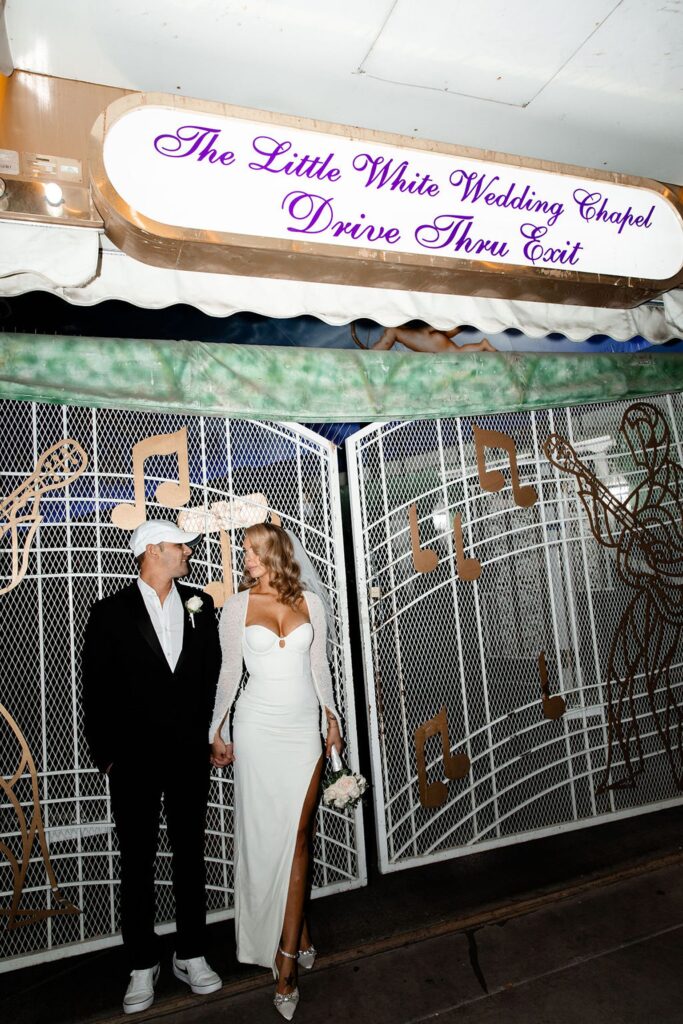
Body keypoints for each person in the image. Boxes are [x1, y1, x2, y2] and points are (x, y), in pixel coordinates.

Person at [81, 520, 223, 1015]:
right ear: (153, 551)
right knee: (136, 861)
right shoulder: (108, 613)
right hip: (134, 761)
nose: (188, 552)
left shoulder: (202, 604)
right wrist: (109, 756)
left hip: (188, 756)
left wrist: (211, 735)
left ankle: (192, 953)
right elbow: (94, 691)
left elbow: (211, 676)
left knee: (190, 855)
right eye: (179, 545)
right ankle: (142, 962)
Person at [209, 523, 343, 1020]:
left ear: (274, 552)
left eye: (250, 550)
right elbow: (228, 674)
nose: (243, 558)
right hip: (258, 729)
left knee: (300, 835)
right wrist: (215, 731)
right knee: (269, 839)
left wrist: (333, 719)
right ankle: (297, 932)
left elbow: (319, 666)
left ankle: (285, 961)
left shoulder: (312, 601)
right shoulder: (237, 608)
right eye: (244, 551)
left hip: (302, 729)